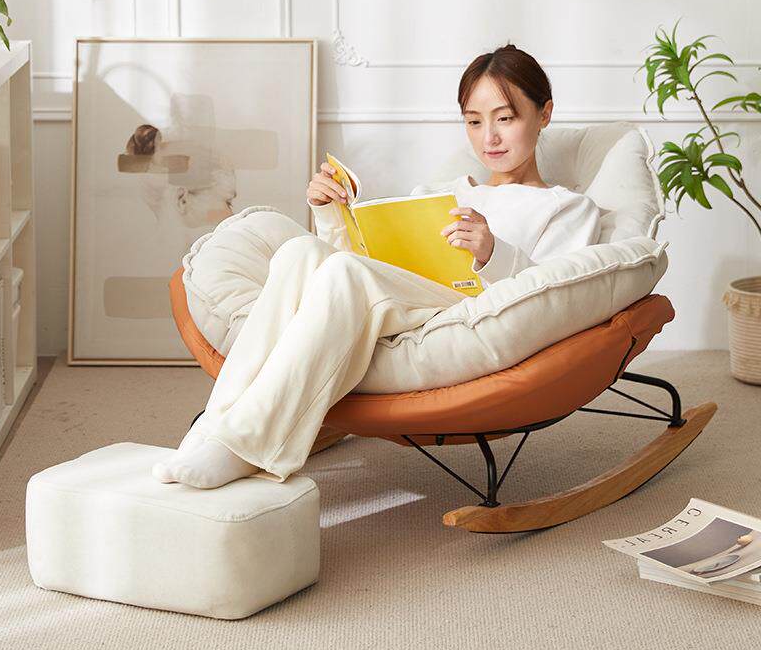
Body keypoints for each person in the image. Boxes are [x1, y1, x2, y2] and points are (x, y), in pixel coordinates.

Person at [151, 43, 601, 490]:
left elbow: (557, 298)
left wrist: (492, 253)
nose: (490, 138)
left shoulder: (566, 208)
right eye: (474, 121)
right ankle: (215, 424)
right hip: (401, 298)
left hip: (469, 309)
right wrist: (331, 213)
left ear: (544, 114)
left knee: (346, 274)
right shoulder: (441, 192)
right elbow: (361, 270)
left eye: (505, 118)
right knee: (298, 253)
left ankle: (246, 445)